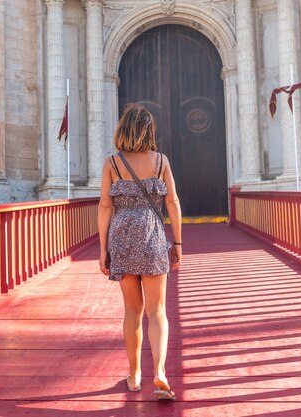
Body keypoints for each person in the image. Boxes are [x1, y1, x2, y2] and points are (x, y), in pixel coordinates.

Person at [98, 103, 182, 401]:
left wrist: (103, 248)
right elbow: (172, 203)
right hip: (152, 237)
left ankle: (134, 375)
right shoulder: (160, 161)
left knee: (132, 311)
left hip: (121, 238)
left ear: (123, 129)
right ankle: (159, 371)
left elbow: (106, 205)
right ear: (149, 131)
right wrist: (179, 244)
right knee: (156, 311)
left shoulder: (112, 163)